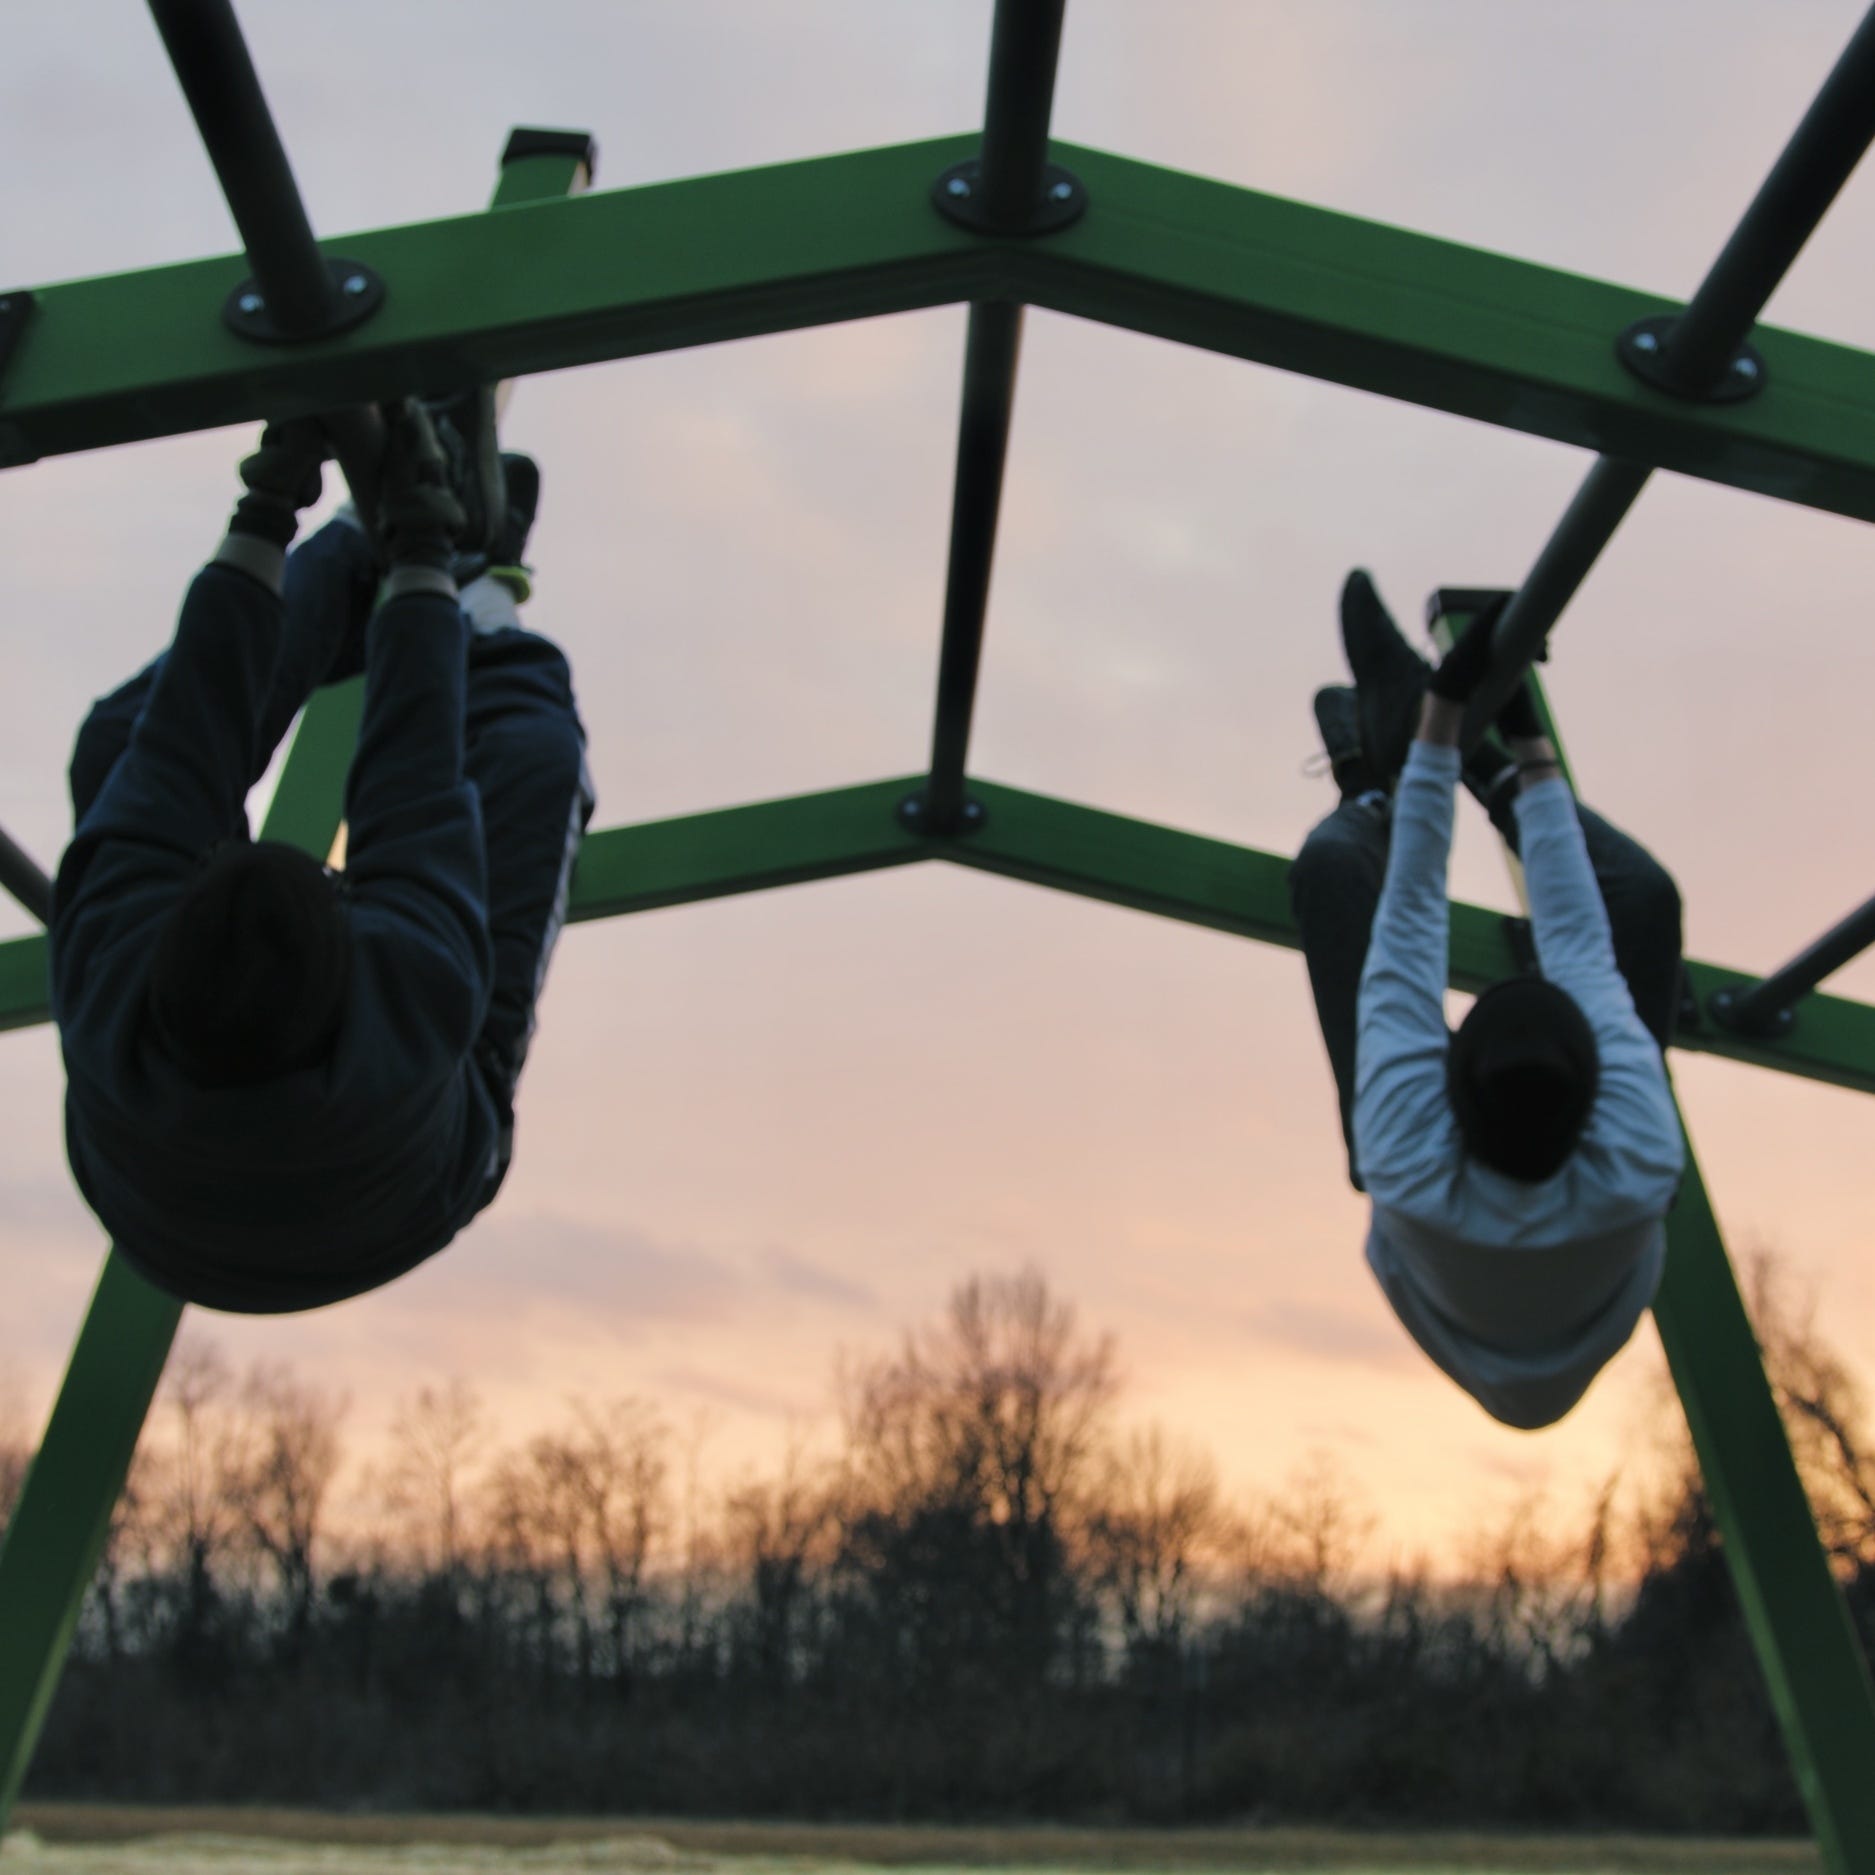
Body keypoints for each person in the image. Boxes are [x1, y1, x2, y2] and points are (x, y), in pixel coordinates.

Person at [49, 399, 594, 1313]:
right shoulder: (411, 992)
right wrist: (425, 544)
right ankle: (479, 590)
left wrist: (272, 503)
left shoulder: (110, 955)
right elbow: (414, 776)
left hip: (155, 1196)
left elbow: (187, 739)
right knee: (529, 755)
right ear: (354, 930)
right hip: (405, 1186)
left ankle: (351, 559)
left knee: (122, 747)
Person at [1288, 571, 1686, 1428]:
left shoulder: (1403, 1144)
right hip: (1587, 1292)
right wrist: (1477, 730)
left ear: (1445, 1078)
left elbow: (1412, 918)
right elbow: (1576, 938)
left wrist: (1447, 710)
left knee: (1333, 871)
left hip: (1453, 1306)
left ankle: (1371, 786)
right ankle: (1454, 763)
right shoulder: (1636, 1141)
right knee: (1644, 902)